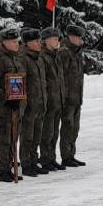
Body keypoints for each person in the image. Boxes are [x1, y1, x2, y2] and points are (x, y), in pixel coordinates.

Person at [0, 27, 29, 182]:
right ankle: (3, 169)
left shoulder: (16, 58)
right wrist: (5, 99)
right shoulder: (0, 60)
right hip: (4, 107)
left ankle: (10, 166)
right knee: (4, 139)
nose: (17, 44)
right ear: (4, 43)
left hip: (16, 105)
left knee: (13, 138)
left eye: (17, 41)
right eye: (13, 41)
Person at [19, 29, 49, 177]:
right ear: (27, 43)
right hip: (29, 105)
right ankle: (26, 163)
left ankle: (33, 161)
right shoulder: (23, 59)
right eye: (36, 41)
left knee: (37, 135)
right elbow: (19, 83)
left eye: (39, 41)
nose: (39, 43)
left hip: (40, 103)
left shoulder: (39, 58)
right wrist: (22, 103)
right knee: (27, 136)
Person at [59, 25, 87, 166]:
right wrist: (65, 95)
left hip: (77, 97)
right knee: (67, 127)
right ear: (72, 37)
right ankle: (66, 155)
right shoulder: (65, 53)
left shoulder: (76, 52)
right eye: (79, 38)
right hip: (68, 97)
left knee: (74, 128)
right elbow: (62, 76)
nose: (81, 41)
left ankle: (71, 154)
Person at [38, 27, 64, 171]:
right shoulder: (43, 57)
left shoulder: (56, 56)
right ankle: (45, 158)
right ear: (46, 40)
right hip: (48, 101)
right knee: (46, 133)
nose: (57, 41)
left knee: (54, 132)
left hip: (57, 100)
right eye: (55, 39)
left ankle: (52, 157)